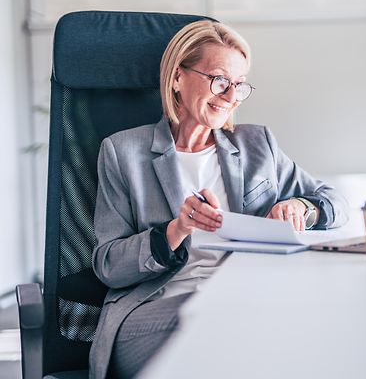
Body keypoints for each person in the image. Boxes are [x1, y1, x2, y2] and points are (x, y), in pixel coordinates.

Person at [89, 20, 349, 379]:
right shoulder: (123, 153)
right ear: (178, 78)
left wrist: (302, 207)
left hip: (246, 303)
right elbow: (107, 265)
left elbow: (335, 202)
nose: (229, 96)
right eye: (219, 80)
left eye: (239, 85)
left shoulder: (257, 145)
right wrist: (175, 231)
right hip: (155, 311)